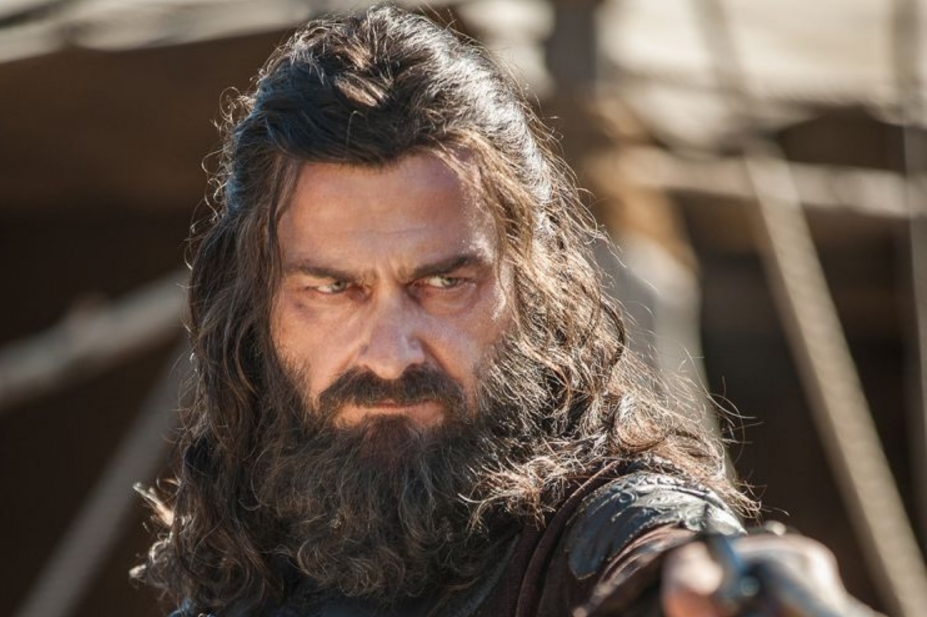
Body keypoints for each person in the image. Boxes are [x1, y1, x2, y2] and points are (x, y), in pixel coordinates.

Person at [135, 6, 877, 616]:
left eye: (443, 283)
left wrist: (718, 580)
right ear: (256, 305)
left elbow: (660, 552)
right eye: (333, 289)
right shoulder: (251, 553)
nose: (390, 354)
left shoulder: (597, 538)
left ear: (531, 285)